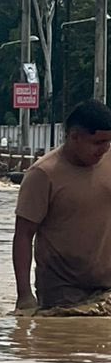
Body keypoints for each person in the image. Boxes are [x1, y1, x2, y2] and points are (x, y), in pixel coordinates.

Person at [13, 99, 111, 311]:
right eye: (97, 143)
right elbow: (23, 234)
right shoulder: (43, 174)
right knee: (65, 341)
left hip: (107, 285)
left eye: (108, 142)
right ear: (74, 136)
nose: (104, 149)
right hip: (62, 289)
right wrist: (24, 294)